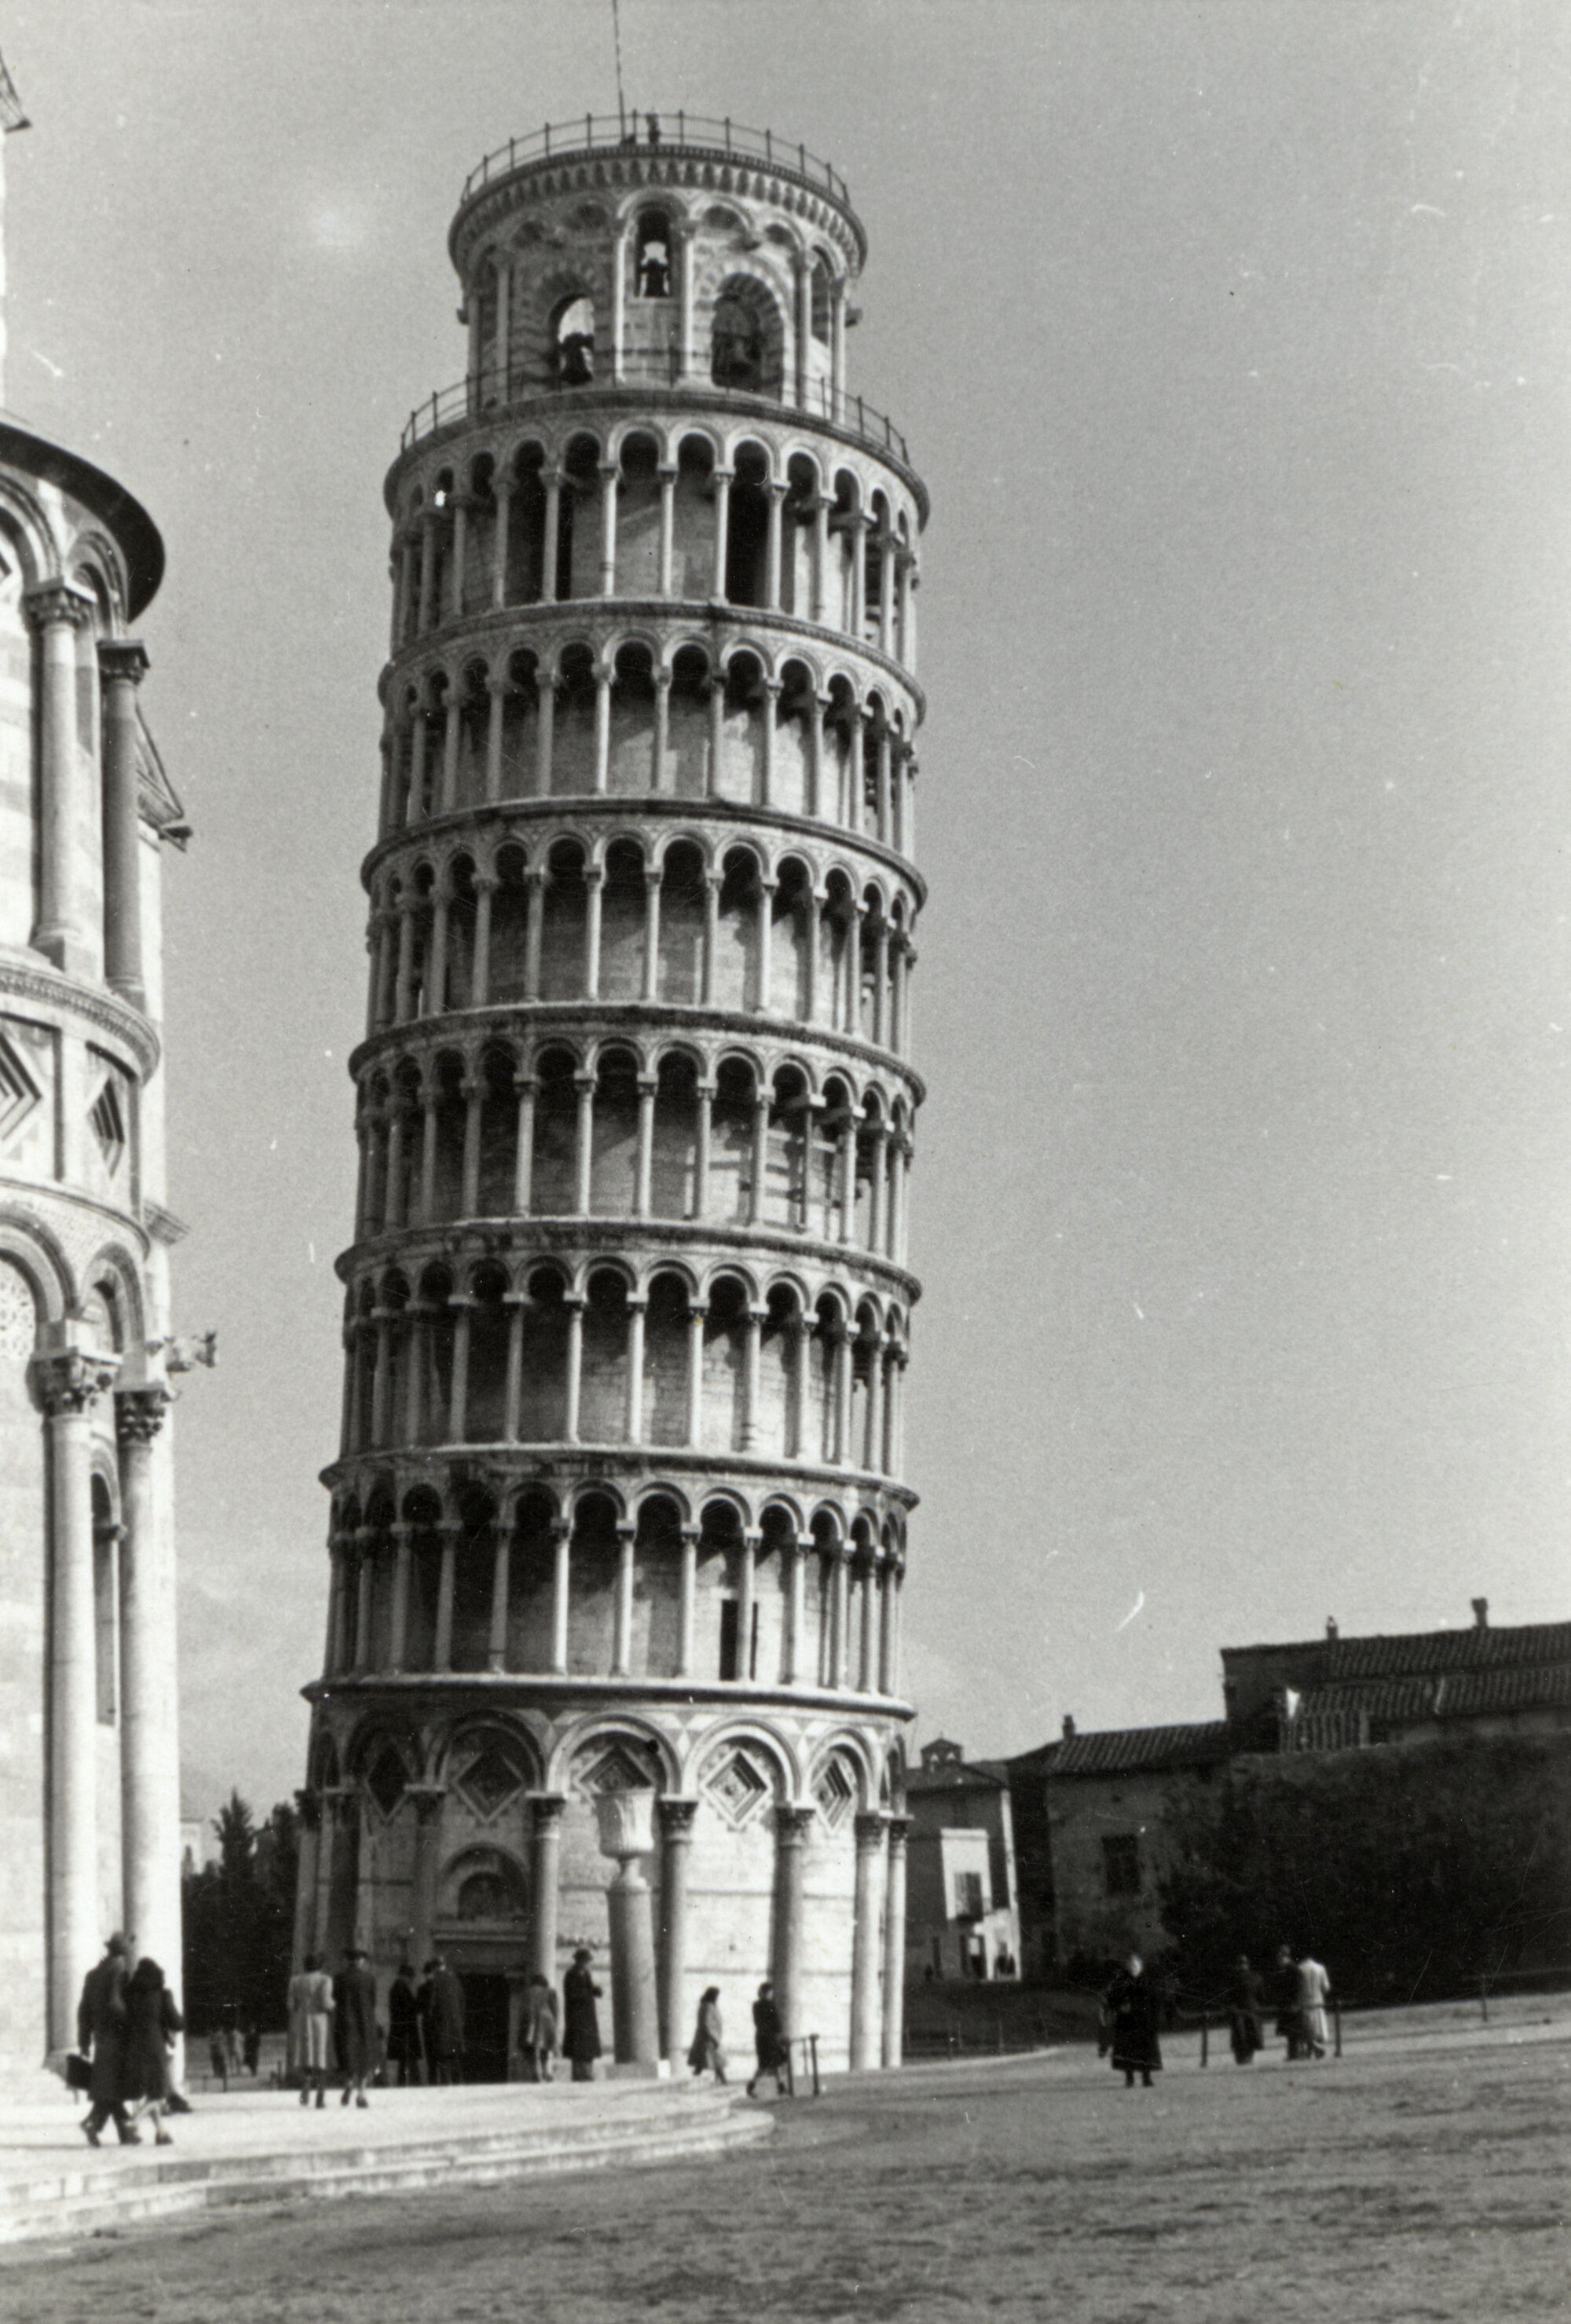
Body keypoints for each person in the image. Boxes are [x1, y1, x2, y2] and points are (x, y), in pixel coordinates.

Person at [78, 1931, 137, 2146]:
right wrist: (130, 2021)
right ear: (124, 1951)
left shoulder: (93, 1975)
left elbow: (84, 2011)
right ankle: (94, 2123)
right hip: (118, 2035)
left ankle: (126, 2131)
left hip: (101, 2036)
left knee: (111, 2085)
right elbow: (115, 2003)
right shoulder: (119, 1969)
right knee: (114, 2085)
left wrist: (84, 2040)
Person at [123, 1956, 183, 2146]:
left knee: (151, 2093)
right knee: (159, 2093)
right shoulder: (163, 1995)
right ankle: (133, 2122)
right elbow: (177, 2022)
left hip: (133, 2049)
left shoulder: (128, 1995)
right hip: (155, 2050)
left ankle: (161, 2133)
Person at [1102, 1953, 1163, 2088]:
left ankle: (1146, 2077)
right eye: (1131, 1965)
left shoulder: (1148, 1981)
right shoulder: (1122, 1981)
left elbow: (1156, 2002)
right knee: (1127, 2052)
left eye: (1136, 1965)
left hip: (1144, 2023)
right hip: (1127, 2023)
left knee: (1146, 2051)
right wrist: (1120, 2006)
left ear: (1140, 1966)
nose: (1133, 1967)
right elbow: (1112, 1999)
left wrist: (1154, 2020)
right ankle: (1129, 2078)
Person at [333, 1944, 378, 2109]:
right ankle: (361, 2094)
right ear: (361, 1961)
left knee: (347, 2056)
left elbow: (335, 1999)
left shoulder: (338, 1978)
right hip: (365, 2024)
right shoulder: (369, 1978)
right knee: (364, 2058)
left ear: (348, 1961)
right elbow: (373, 2002)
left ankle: (349, 2082)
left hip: (345, 2023)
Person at [289, 1950, 334, 2108]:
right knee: (321, 2055)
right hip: (319, 2020)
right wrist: (334, 2007)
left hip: (302, 2019)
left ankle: (306, 2083)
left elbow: (291, 2005)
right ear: (320, 1965)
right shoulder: (325, 1980)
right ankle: (320, 2096)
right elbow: (326, 2002)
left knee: (306, 2054)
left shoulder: (295, 1981)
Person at [562, 1948, 602, 2083]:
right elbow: (573, 1995)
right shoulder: (572, 1974)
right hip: (577, 2016)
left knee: (588, 2046)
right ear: (579, 1961)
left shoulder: (586, 1974)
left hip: (587, 2016)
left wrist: (596, 1989)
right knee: (579, 2047)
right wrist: (589, 1992)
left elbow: (592, 1990)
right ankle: (581, 2074)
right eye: (586, 1961)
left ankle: (588, 2073)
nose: (587, 1964)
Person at [425, 1953, 466, 2085]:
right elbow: (462, 2002)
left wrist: (430, 2021)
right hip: (456, 2024)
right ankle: (459, 2082)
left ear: (435, 1967)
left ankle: (447, 2083)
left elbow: (432, 2004)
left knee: (443, 2057)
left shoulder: (435, 1981)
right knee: (455, 2056)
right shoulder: (455, 1979)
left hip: (442, 2025)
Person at [745, 1981, 790, 2099]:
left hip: (760, 2037)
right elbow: (776, 2022)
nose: (772, 1994)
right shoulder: (770, 2005)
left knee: (765, 2064)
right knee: (778, 2061)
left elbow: (756, 2022)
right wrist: (779, 2034)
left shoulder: (756, 2005)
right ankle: (755, 2085)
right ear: (768, 1992)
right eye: (771, 1992)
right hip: (770, 2038)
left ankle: (779, 2086)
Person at [386, 1961, 422, 2087]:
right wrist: (419, 2001)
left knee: (404, 2062)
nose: (411, 1980)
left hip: (401, 2031)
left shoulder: (397, 1988)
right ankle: (409, 2084)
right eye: (410, 1977)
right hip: (405, 2032)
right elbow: (409, 2009)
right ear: (405, 1976)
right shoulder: (401, 1989)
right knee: (407, 2060)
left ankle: (406, 2083)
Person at [1227, 1955, 1265, 2065]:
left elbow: (1229, 1997)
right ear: (1248, 1964)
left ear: (1238, 1965)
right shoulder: (1257, 1977)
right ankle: (1249, 2058)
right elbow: (1262, 1997)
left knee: (1239, 2036)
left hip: (1238, 2011)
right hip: (1253, 2010)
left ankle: (1241, 2059)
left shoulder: (1233, 1979)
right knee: (1252, 2035)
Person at [1296, 1949, 1332, 2061]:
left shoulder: (1299, 1968)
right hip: (1318, 2001)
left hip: (1304, 2002)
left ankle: (1311, 2050)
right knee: (1318, 2028)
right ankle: (1315, 2049)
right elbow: (1326, 1987)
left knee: (1307, 2028)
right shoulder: (1320, 1968)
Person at [522, 1973, 558, 2083]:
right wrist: (555, 2024)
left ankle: (535, 2073)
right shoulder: (550, 1992)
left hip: (531, 2021)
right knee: (545, 2049)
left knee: (532, 2048)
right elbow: (555, 2010)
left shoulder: (527, 1992)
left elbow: (523, 2010)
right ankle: (545, 2072)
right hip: (546, 2021)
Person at [686, 1986, 727, 2082]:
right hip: (709, 2038)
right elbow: (706, 2023)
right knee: (717, 2060)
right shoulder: (708, 2007)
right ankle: (724, 2081)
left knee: (706, 2061)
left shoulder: (707, 2006)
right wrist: (714, 2038)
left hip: (708, 2037)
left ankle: (699, 2076)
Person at [1273, 1945, 1303, 2061]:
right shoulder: (1288, 1968)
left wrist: (1294, 2001)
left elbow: (1297, 1986)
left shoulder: (1291, 1969)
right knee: (1291, 2032)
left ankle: (1294, 2054)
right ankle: (1293, 2053)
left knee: (1293, 2032)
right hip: (1289, 2004)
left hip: (1291, 2005)